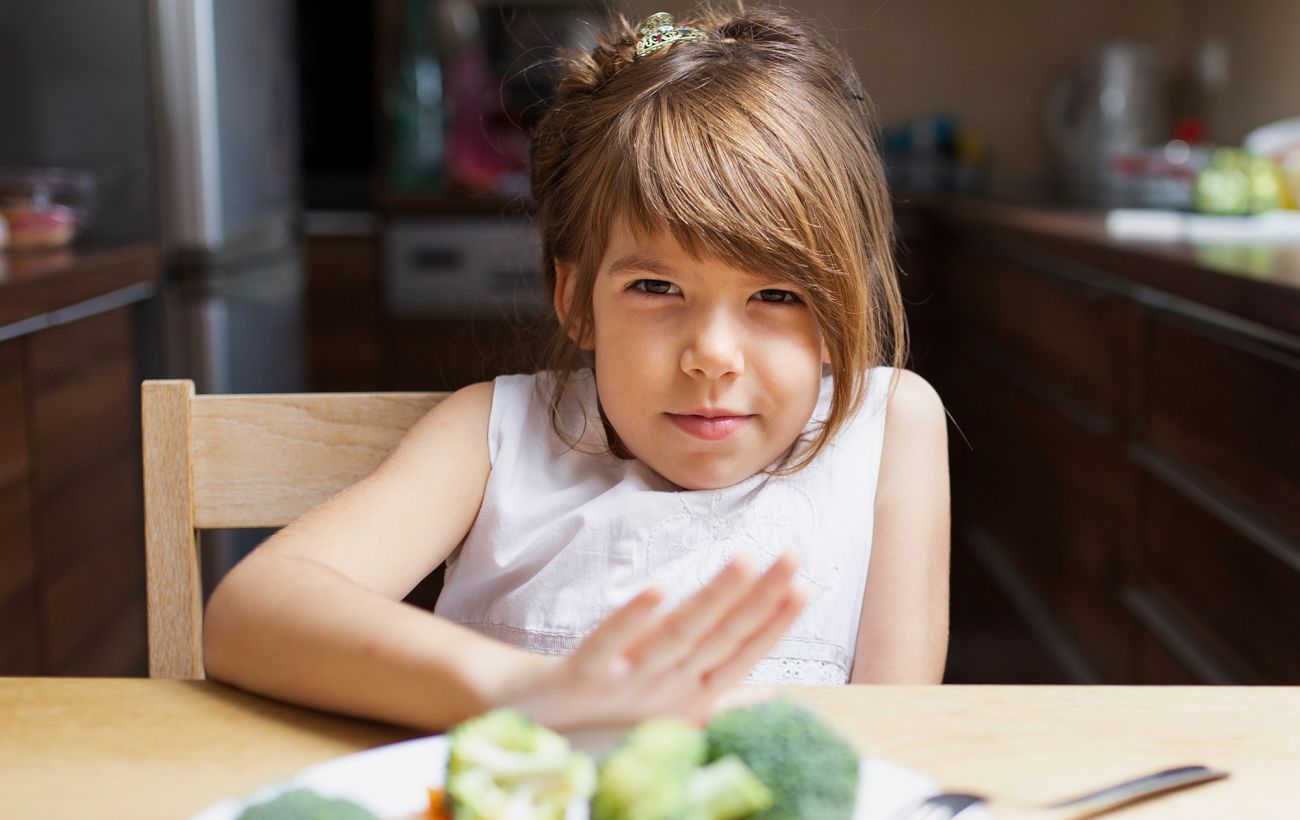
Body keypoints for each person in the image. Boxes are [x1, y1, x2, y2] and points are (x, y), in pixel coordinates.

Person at [203, 5, 950, 733]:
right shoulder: (492, 435)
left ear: (842, 313)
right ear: (576, 298)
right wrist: (531, 691)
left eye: (777, 294)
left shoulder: (886, 431)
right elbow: (249, 611)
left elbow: (896, 735)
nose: (714, 357)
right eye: (656, 287)